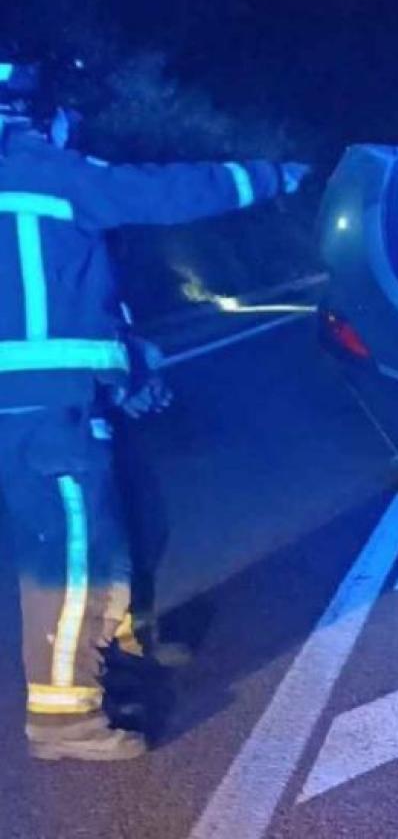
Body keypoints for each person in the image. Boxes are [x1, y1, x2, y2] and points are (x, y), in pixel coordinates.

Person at [0, 54, 308, 760]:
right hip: (48, 409)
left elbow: (58, 292)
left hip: (49, 401)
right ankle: (63, 720)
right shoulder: (38, 169)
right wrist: (267, 177)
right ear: (34, 113)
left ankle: (121, 644)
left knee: (110, 526)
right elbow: (159, 194)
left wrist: (130, 359)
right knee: (69, 553)